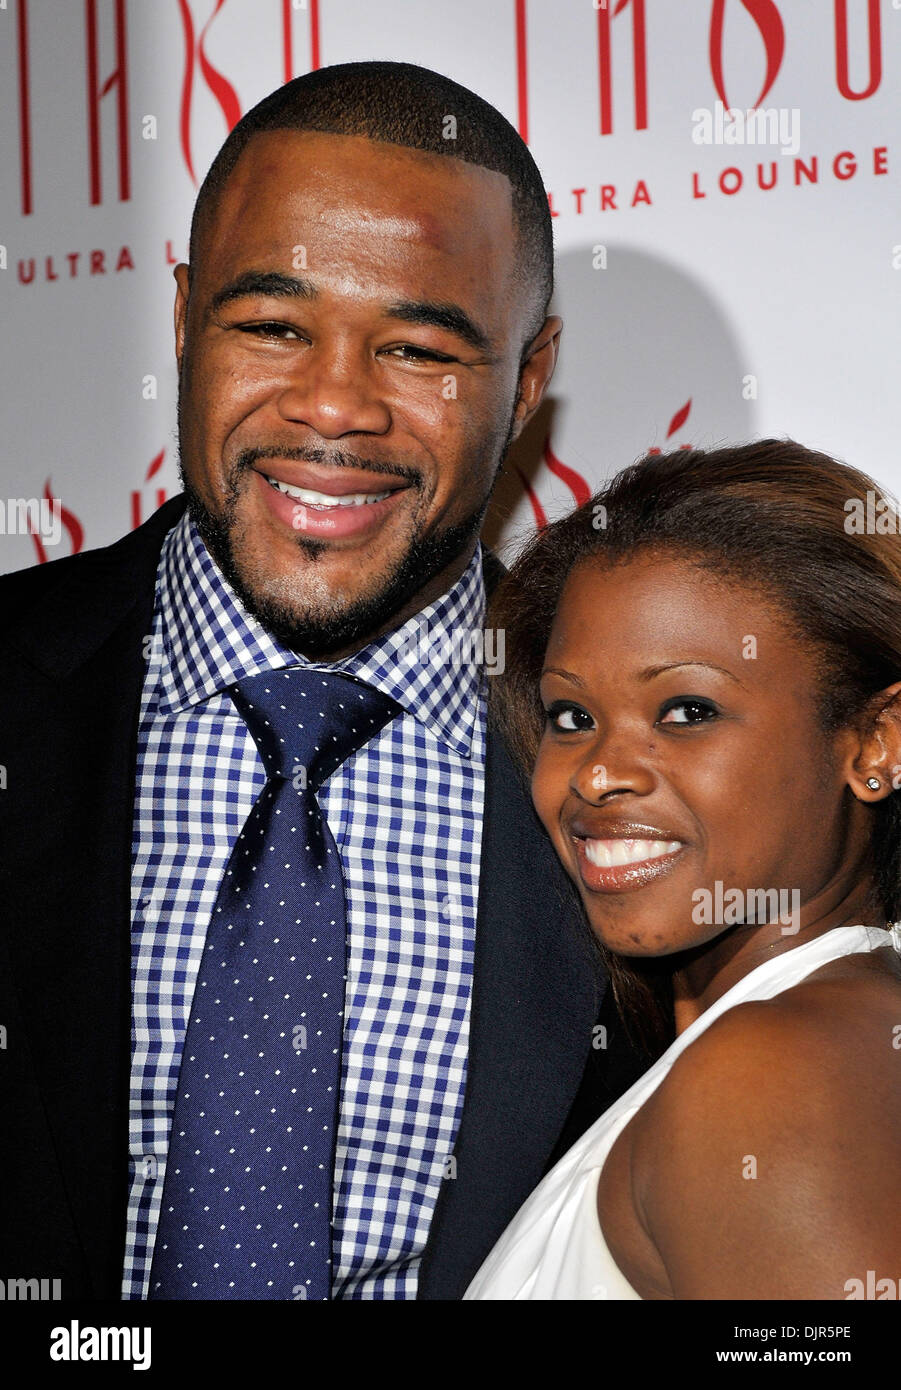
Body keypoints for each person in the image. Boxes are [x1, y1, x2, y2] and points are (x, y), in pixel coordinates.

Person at [0, 61, 647, 1302]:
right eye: (272, 325)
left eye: (416, 348)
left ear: (526, 380)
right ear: (185, 319)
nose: (334, 407)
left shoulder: (651, 770)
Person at [466, 440, 901, 1299]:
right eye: (570, 715)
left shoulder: (773, 1075)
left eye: (686, 709)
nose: (597, 773)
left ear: (874, 741)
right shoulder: (818, 1037)